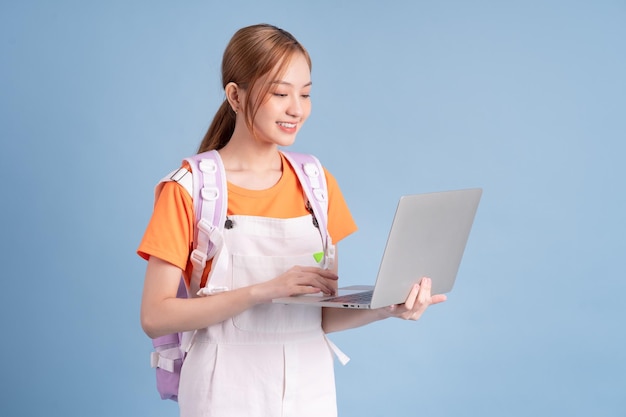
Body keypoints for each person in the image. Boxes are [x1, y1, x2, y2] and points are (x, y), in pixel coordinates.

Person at [138, 23, 446, 417]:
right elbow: (155, 316)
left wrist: (387, 307)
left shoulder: (317, 184)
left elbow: (322, 316)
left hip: (309, 393)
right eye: (280, 93)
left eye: (306, 94)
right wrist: (261, 291)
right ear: (235, 95)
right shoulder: (189, 189)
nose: (297, 109)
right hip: (223, 394)